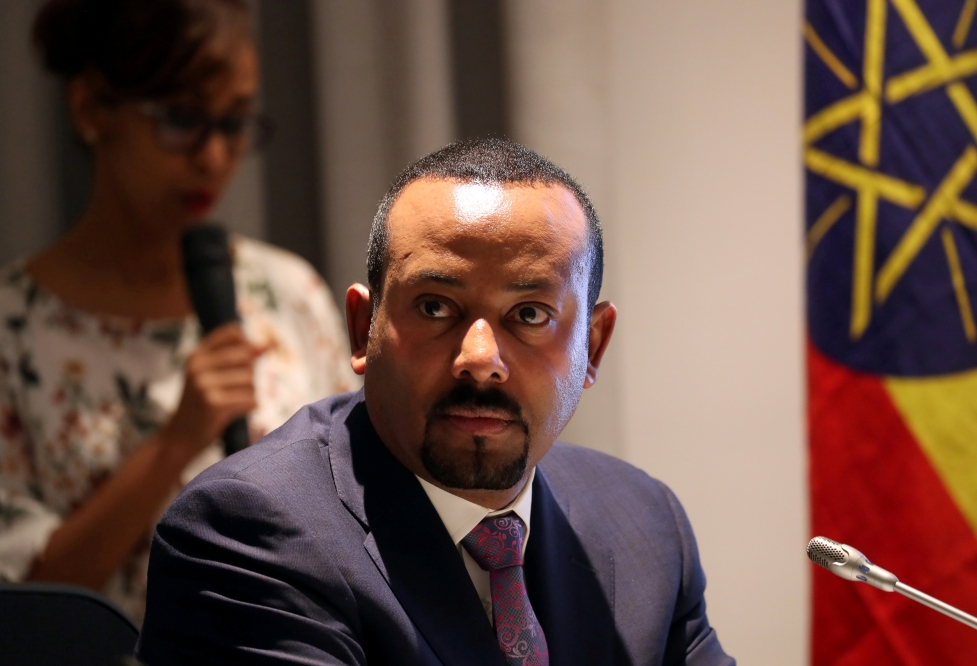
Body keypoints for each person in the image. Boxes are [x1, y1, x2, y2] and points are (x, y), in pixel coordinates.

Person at [137, 138, 735, 665]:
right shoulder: (247, 534)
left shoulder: (645, 526)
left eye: (529, 315)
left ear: (593, 347)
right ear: (363, 326)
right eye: (434, 308)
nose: (481, 357)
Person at [0, 0, 358, 623]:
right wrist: (175, 443)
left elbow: (357, 522)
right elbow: (27, 602)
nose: (214, 157)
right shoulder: (14, 327)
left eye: (235, 122)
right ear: (91, 108)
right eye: (181, 119)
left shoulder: (289, 292)